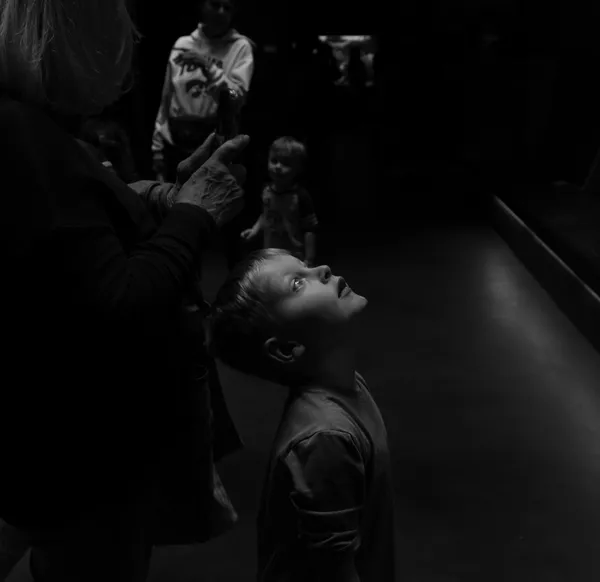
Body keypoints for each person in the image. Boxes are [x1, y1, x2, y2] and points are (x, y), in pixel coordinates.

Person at [0, 0, 248, 580]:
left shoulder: (28, 125)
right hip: (84, 462)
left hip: (56, 446)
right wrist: (194, 214)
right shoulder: (23, 136)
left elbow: (72, 231)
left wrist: (160, 197)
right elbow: (120, 300)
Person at [207, 249, 396, 582]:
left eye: (306, 267)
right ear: (286, 349)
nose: (322, 269)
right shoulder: (326, 438)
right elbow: (332, 572)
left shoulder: (349, 384)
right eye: (297, 283)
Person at [152, 0, 254, 183]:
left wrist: (208, 67)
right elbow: (167, 97)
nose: (221, 12)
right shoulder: (183, 44)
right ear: (202, 6)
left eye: (228, 8)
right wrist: (157, 145)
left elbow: (236, 99)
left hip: (212, 144)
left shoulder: (240, 47)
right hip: (174, 143)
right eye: (216, 5)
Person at [241, 137, 318, 266]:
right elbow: (266, 214)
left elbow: (310, 229)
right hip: (270, 251)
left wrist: (309, 257)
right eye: (274, 161)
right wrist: (254, 230)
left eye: (286, 163)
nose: (278, 167)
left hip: (294, 255)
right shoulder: (267, 190)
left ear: (298, 168)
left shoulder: (300, 196)